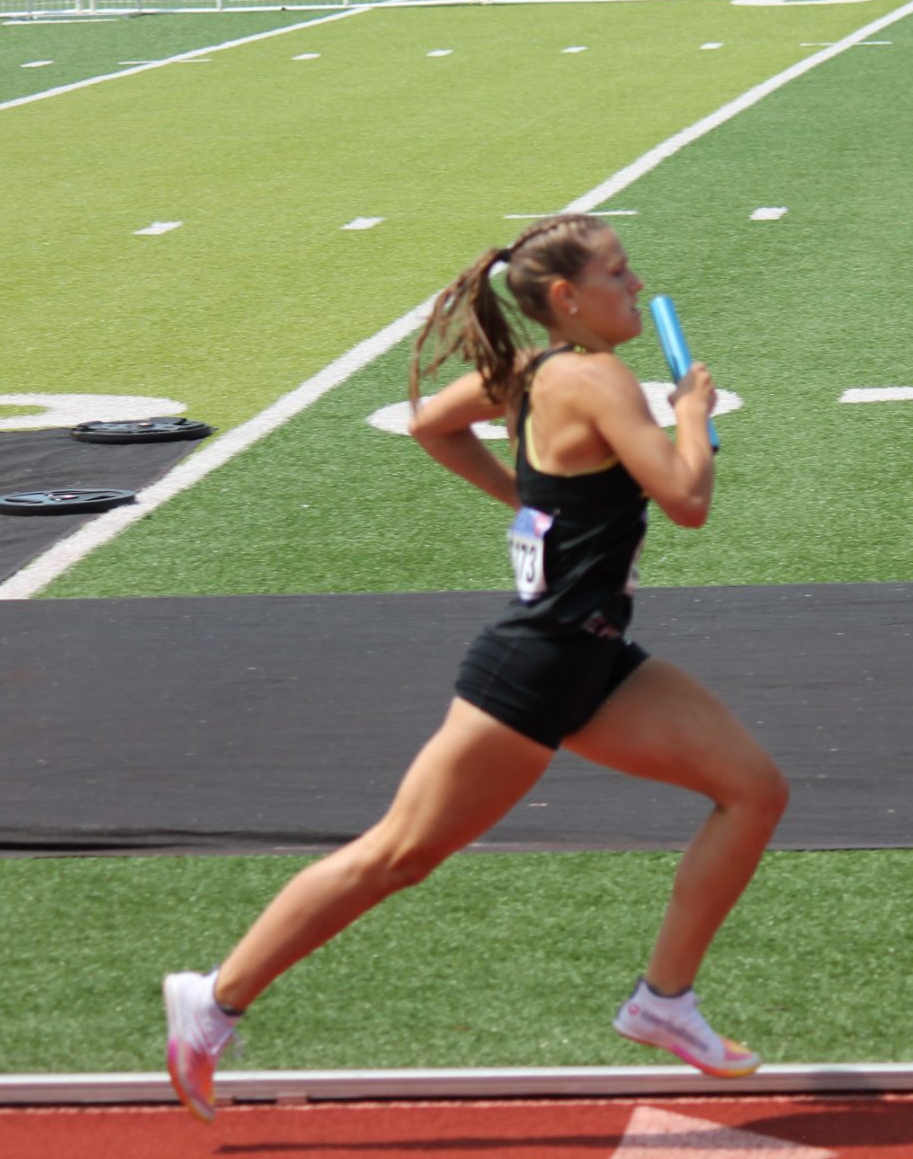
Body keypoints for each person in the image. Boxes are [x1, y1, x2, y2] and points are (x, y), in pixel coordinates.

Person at [161, 213, 791, 1123]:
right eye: (619, 274)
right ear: (568, 298)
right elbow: (688, 500)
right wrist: (689, 416)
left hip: (600, 658)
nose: (635, 285)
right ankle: (213, 1001)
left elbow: (431, 424)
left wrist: (527, 498)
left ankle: (664, 1001)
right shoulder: (597, 378)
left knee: (753, 790)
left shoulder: (532, 371)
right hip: (536, 667)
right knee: (398, 855)